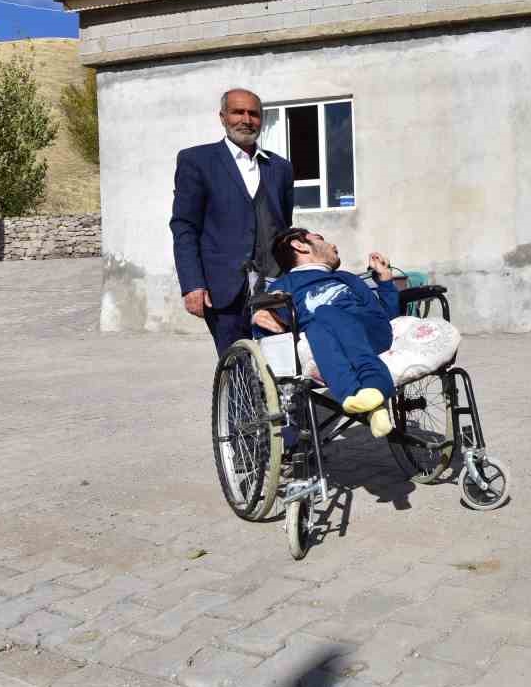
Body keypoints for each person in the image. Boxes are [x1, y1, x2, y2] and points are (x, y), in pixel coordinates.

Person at [170, 88, 295, 355]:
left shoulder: (280, 168)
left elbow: (284, 225)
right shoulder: (197, 161)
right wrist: (193, 284)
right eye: (238, 112)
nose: (246, 120)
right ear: (223, 117)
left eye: (254, 114)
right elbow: (184, 227)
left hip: (274, 287)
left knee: (279, 367)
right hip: (225, 290)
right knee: (237, 367)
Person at [254, 228, 403, 437]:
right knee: (316, 326)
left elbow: (385, 317)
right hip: (326, 338)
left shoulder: (346, 278)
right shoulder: (282, 286)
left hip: (370, 332)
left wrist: (386, 280)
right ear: (300, 245)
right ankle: (358, 399)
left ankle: (376, 385)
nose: (334, 246)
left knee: (323, 313)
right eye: (321, 239)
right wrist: (259, 318)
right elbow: (270, 336)